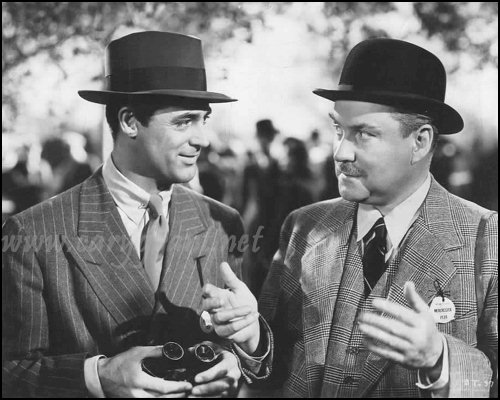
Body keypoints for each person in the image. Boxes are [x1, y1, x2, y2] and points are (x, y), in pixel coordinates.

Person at [201, 38, 497, 397]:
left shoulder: (486, 238)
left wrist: (441, 359)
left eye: (365, 134)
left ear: (419, 142)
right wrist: (253, 338)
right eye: (339, 130)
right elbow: (272, 370)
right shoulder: (304, 227)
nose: (341, 152)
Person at [2, 31, 265, 398]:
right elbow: (12, 372)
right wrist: (98, 376)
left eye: (203, 120)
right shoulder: (32, 232)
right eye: (183, 121)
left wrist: (240, 352)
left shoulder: (222, 223)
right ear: (129, 122)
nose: (202, 139)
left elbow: (243, 355)